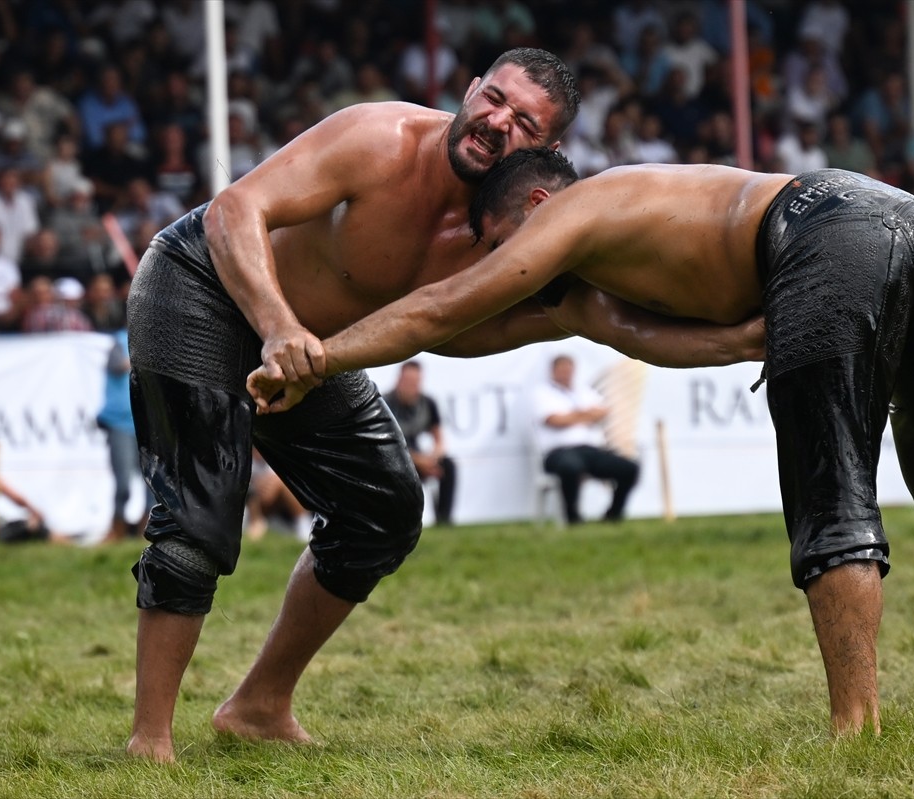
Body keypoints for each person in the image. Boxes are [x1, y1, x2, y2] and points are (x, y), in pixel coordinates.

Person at [249, 152, 914, 736]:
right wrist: (748, 337)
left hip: (825, 234)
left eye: (500, 243)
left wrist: (317, 356)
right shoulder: (616, 239)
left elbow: (443, 309)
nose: (507, 265)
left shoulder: (572, 213)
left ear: (537, 204)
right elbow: (638, 337)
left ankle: (857, 730)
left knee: (831, 497)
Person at [122, 48, 583, 764]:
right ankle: (149, 740)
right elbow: (235, 208)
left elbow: (455, 329)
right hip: (202, 284)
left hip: (311, 347)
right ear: (470, 90)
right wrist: (278, 326)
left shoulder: (503, 231)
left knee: (384, 509)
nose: (497, 123)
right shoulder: (380, 138)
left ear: (546, 152)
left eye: (524, 122)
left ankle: (258, 706)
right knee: (198, 518)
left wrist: (731, 330)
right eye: (494, 99)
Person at [531, 354, 639, 524]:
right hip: (558, 452)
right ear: (553, 371)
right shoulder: (542, 393)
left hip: (589, 450)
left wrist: (572, 416)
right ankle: (573, 518)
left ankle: (613, 516)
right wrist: (585, 415)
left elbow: (602, 412)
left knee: (629, 468)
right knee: (570, 467)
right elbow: (554, 420)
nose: (566, 373)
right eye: (562, 369)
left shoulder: (583, 391)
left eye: (569, 369)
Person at [383, 361, 457, 526]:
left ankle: (444, 519)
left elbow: (439, 439)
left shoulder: (427, 403)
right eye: (408, 383)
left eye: (416, 383)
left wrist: (433, 458)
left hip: (419, 457)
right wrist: (418, 461)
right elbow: (387, 446)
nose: (413, 388)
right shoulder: (385, 403)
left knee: (448, 466)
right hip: (394, 459)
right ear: (399, 380)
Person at [98, 326, 150, 542]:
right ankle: (117, 527)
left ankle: (147, 528)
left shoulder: (153, 341)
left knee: (152, 481)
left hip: (147, 423)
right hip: (120, 423)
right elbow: (117, 365)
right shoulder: (119, 341)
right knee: (123, 483)